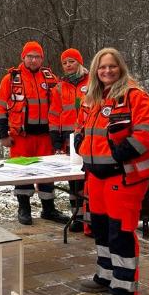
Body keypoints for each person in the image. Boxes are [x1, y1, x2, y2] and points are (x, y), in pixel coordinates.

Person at [74, 47, 149, 295]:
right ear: (95, 71)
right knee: (100, 228)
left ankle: (124, 289)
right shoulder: (92, 98)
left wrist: (115, 156)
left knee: (120, 231)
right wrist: (80, 145)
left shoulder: (134, 96)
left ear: (120, 67)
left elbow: (146, 134)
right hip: (96, 177)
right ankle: (105, 275)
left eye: (112, 66)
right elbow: (81, 129)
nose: (107, 71)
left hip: (123, 177)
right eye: (102, 67)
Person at [0, 41, 71, 225]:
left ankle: (49, 209)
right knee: (22, 173)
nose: (33, 60)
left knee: (48, 174)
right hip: (21, 137)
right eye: (30, 56)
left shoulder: (50, 78)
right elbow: (0, 107)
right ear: (23, 57)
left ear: (42, 59)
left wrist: (60, 135)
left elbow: (62, 106)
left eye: (37, 56)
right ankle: (24, 208)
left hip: (45, 136)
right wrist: (3, 135)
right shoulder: (11, 79)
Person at [51, 48, 91, 233]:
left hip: (88, 136)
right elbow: (54, 114)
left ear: (79, 62)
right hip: (69, 139)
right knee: (73, 181)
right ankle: (76, 216)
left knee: (86, 179)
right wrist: (56, 141)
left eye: (71, 61)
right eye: (65, 62)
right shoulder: (59, 87)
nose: (68, 65)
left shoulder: (92, 81)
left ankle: (89, 219)